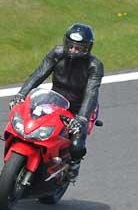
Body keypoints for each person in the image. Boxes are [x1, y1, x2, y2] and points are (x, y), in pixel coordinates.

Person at [9, 23, 104, 180]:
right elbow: (39, 74)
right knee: (29, 122)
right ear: (66, 43)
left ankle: (74, 166)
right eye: (71, 46)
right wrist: (21, 94)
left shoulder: (94, 66)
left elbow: (91, 93)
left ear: (87, 49)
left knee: (76, 145)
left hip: (80, 108)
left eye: (79, 48)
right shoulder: (56, 53)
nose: (74, 50)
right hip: (55, 100)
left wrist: (81, 118)